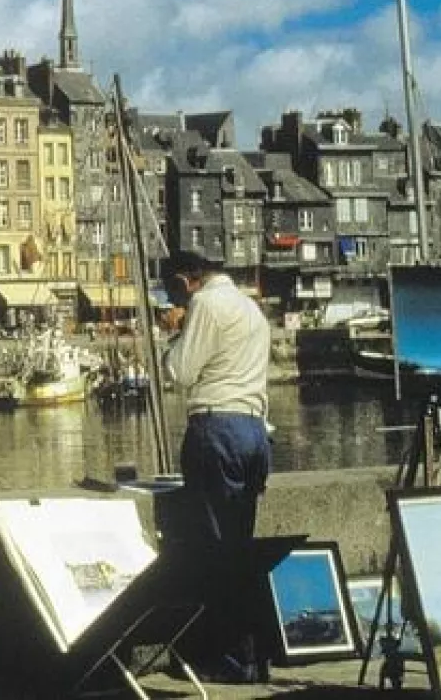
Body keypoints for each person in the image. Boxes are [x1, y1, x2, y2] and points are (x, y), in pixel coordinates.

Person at [159, 249, 272, 683]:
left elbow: (183, 373)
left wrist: (175, 336)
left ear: (187, 281)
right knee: (239, 548)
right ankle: (251, 654)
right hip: (253, 432)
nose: (177, 304)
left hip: (216, 427)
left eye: (175, 294)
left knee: (211, 549)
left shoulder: (205, 304)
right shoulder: (251, 308)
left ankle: (220, 658)